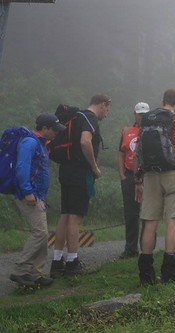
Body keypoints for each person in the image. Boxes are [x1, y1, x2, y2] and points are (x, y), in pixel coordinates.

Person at [134, 88, 175, 285]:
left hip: (150, 175)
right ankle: (169, 271)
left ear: (162, 100)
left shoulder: (149, 118)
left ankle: (146, 274)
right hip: (172, 173)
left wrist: (138, 180)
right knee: (172, 220)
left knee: (150, 222)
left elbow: (137, 153)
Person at [50, 94, 111, 277]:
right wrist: (94, 167)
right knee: (75, 218)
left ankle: (56, 261)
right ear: (102, 105)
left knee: (65, 215)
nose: (106, 114)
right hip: (79, 172)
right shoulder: (90, 118)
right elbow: (85, 141)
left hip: (66, 171)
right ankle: (72, 262)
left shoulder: (75, 117)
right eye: (107, 109)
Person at [9, 114, 66, 287]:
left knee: (42, 234)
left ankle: (36, 273)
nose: (56, 132)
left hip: (38, 196)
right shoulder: (30, 142)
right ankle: (20, 271)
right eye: (54, 129)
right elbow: (21, 167)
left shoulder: (41, 144)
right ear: (45, 128)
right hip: (29, 195)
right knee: (39, 233)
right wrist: (27, 192)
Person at [117, 102, 150, 259]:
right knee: (130, 214)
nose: (142, 117)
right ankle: (130, 248)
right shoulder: (127, 131)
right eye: (139, 114)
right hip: (129, 175)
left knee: (148, 213)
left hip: (147, 176)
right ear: (135, 114)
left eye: (145, 114)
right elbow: (121, 152)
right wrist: (122, 174)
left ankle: (147, 248)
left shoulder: (152, 131)